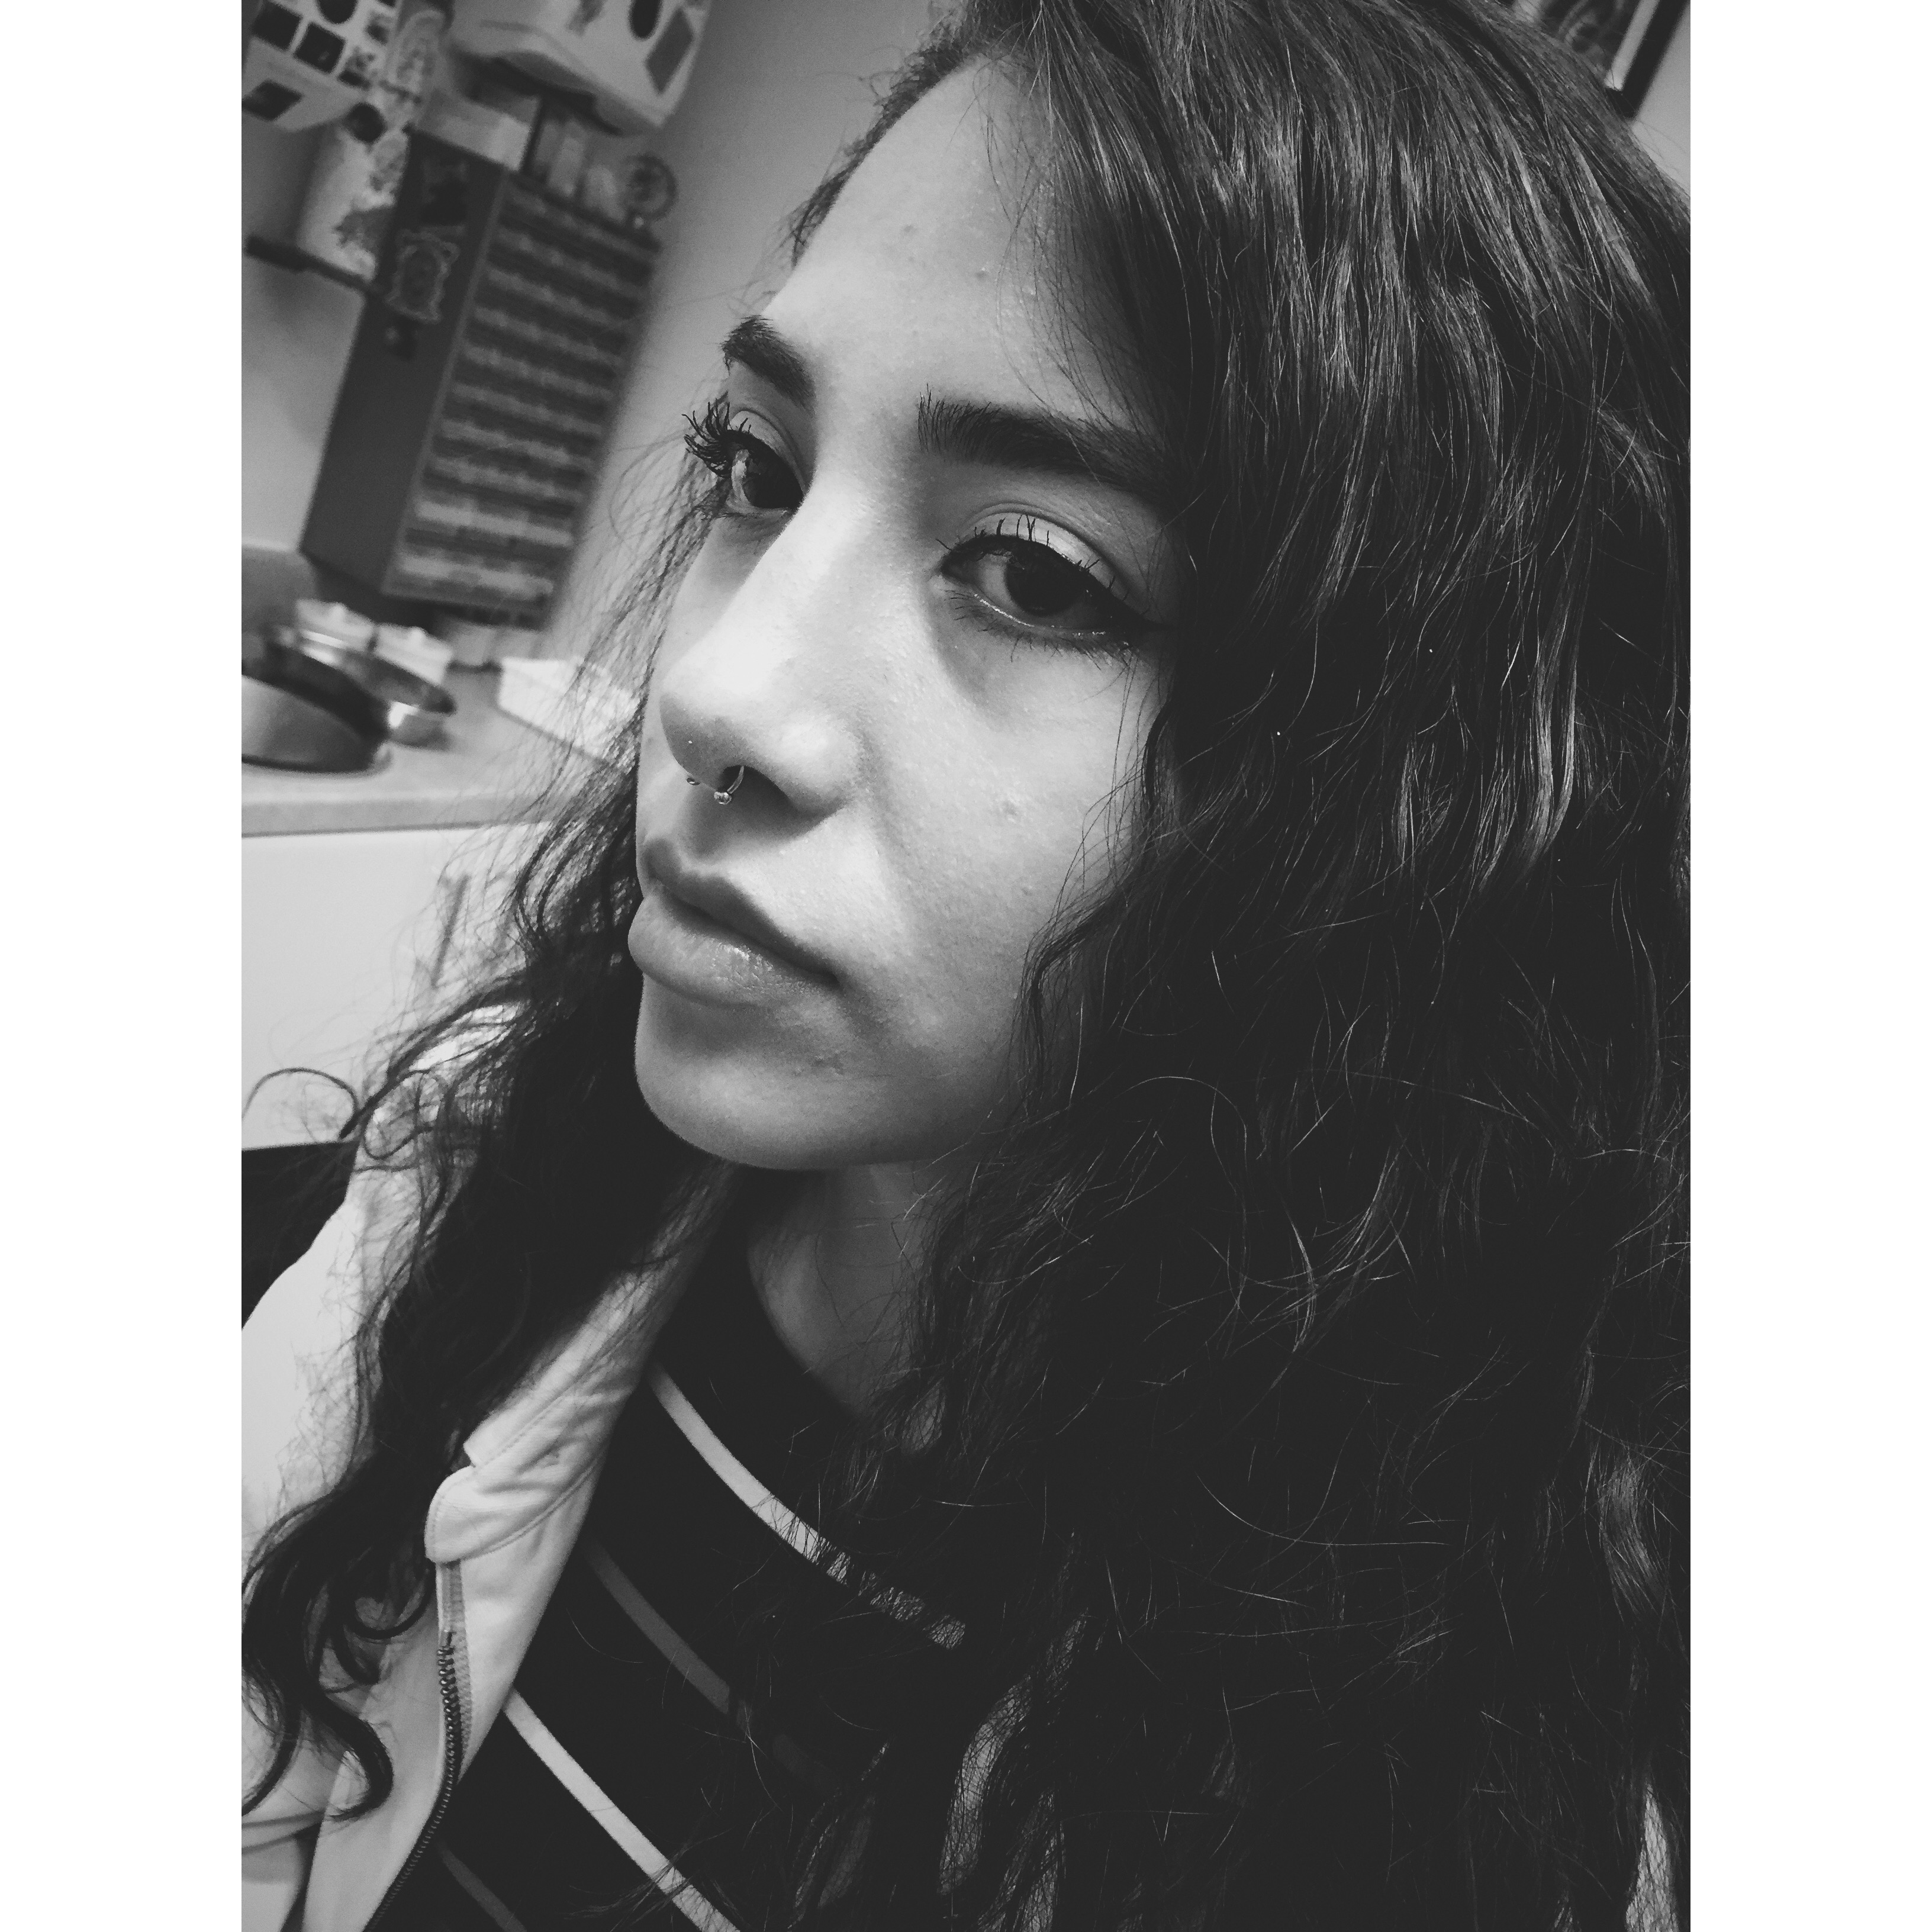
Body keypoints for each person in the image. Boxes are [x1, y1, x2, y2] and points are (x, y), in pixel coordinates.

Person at [243, 2, 1689, 1927]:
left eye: (1031, 573)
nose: (716, 691)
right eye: (759, 468)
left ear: (1438, 803)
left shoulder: (1467, 1763)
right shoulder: (475, 1185)